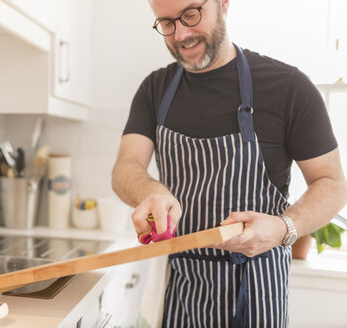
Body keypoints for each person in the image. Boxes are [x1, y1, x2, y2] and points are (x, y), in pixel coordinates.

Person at [111, 0, 347, 327]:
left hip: (256, 287)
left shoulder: (289, 87)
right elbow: (127, 166)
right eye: (166, 23)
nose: (181, 34)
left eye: (191, 15)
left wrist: (283, 228)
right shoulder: (155, 90)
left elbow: (332, 184)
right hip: (182, 288)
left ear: (223, 4)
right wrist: (149, 190)